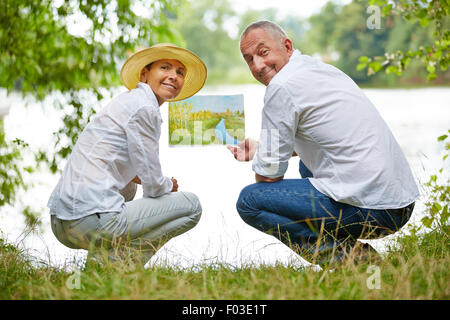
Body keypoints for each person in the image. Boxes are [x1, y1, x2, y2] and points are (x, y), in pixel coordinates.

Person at [228, 21, 419, 266]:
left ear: (287, 46)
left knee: (251, 201)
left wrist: (265, 160)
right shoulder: (317, 69)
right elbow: (327, 138)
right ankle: (349, 250)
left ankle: (353, 261)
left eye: (263, 52)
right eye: (249, 59)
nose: (258, 65)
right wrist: (259, 150)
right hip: (400, 204)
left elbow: (268, 178)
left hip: (376, 210)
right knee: (308, 167)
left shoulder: (281, 86)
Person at [48, 43, 207, 266]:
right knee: (191, 206)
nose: (174, 76)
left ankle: (99, 264)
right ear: (144, 74)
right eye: (165, 68)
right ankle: (118, 265)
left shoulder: (127, 101)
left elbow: (120, 164)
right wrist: (167, 186)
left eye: (180, 72)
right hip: (88, 220)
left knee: (129, 186)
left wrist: (155, 182)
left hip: (62, 220)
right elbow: (153, 185)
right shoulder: (145, 108)